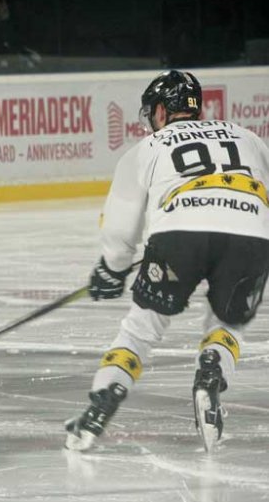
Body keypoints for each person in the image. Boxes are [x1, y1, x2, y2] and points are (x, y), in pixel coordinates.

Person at [66, 71, 269, 452]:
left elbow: (120, 227)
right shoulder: (247, 136)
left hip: (180, 235)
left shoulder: (148, 147)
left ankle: (99, 408)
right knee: (228, 321)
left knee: (141, 329)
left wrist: (111, 268)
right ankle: (211, 370)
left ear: (160, 110)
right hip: (252, 236)